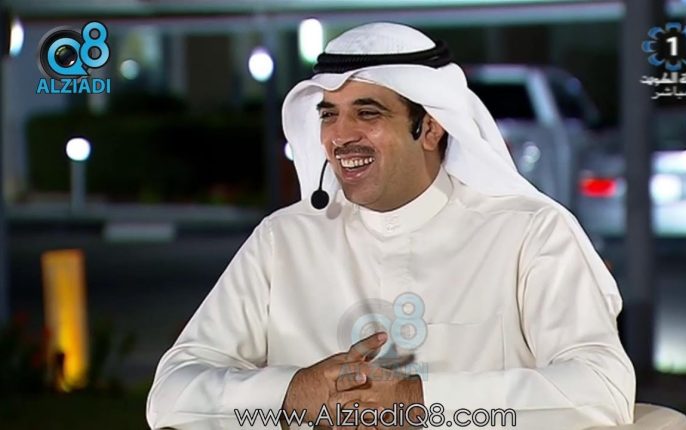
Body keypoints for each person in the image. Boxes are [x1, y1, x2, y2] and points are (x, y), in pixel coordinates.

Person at [146, 22, 635, 430]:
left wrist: (416, 400)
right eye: (329, 115)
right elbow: (171, 392)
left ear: (431, 127)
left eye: (367, 113)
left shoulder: (531, 233)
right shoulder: (283, 239)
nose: (340, 136)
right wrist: (293, 393)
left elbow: (602, 387)